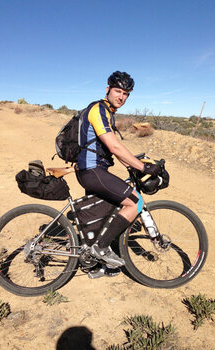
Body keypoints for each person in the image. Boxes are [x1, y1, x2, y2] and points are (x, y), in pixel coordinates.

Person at [76, 71, 161, 278]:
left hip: (93, 170)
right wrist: (142, 167)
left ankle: (93, 264)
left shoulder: (107, 112)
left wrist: (131, 165)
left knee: (99, 215)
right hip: (92, 171)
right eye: (117, 91)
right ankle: (102, 248)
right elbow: (114, 147)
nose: (121, 96)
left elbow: (115, 149)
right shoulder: (98, 110)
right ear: (108, 90)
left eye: (125, 93)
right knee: (135, 202)